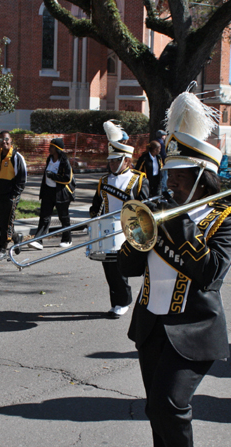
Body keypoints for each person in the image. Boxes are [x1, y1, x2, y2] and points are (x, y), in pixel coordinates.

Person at [118, 88, 231, 447]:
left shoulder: (225, 220)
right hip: (151, 325)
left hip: (193, 330)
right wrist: (134, 237)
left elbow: (210, 275)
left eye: (181, 177)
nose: (170, 183)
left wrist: (177, 229)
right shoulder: (158, 212)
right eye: (169, 176)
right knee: (156, 408)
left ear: (202, 178)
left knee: (171, 402)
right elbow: (130, 269)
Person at [90, 120, 147, 318]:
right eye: (111, 161)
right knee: (111, 270)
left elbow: (146, 206)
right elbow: (96, 205)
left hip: (130, 230)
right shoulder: (103, 181)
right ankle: (120, 302)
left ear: (126, 160)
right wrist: (92, 220)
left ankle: (133, 300)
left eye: (116, 160)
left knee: (126, 268)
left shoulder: (139, 179)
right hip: (108, 230)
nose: (112, 164)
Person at [0, 131, 28, 261]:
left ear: (11, 141)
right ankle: (16, 237)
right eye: (1, 140)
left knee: (7, 222)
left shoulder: (16, 157)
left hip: (10, 196)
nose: (4, 142)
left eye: (6, 139)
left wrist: (15, 194)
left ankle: (2, 249)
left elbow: (22, 177)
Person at [30, 137, 75, 250]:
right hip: (47, 192)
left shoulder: (64, 161)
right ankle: (38, 240)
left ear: (57, 149)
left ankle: (67, 239)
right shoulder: (49, 158)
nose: (49, 148)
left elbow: (67, 179)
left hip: (61, 193)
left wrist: (53, 176)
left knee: (64, 218)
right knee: (44, 217)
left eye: (52, 147)